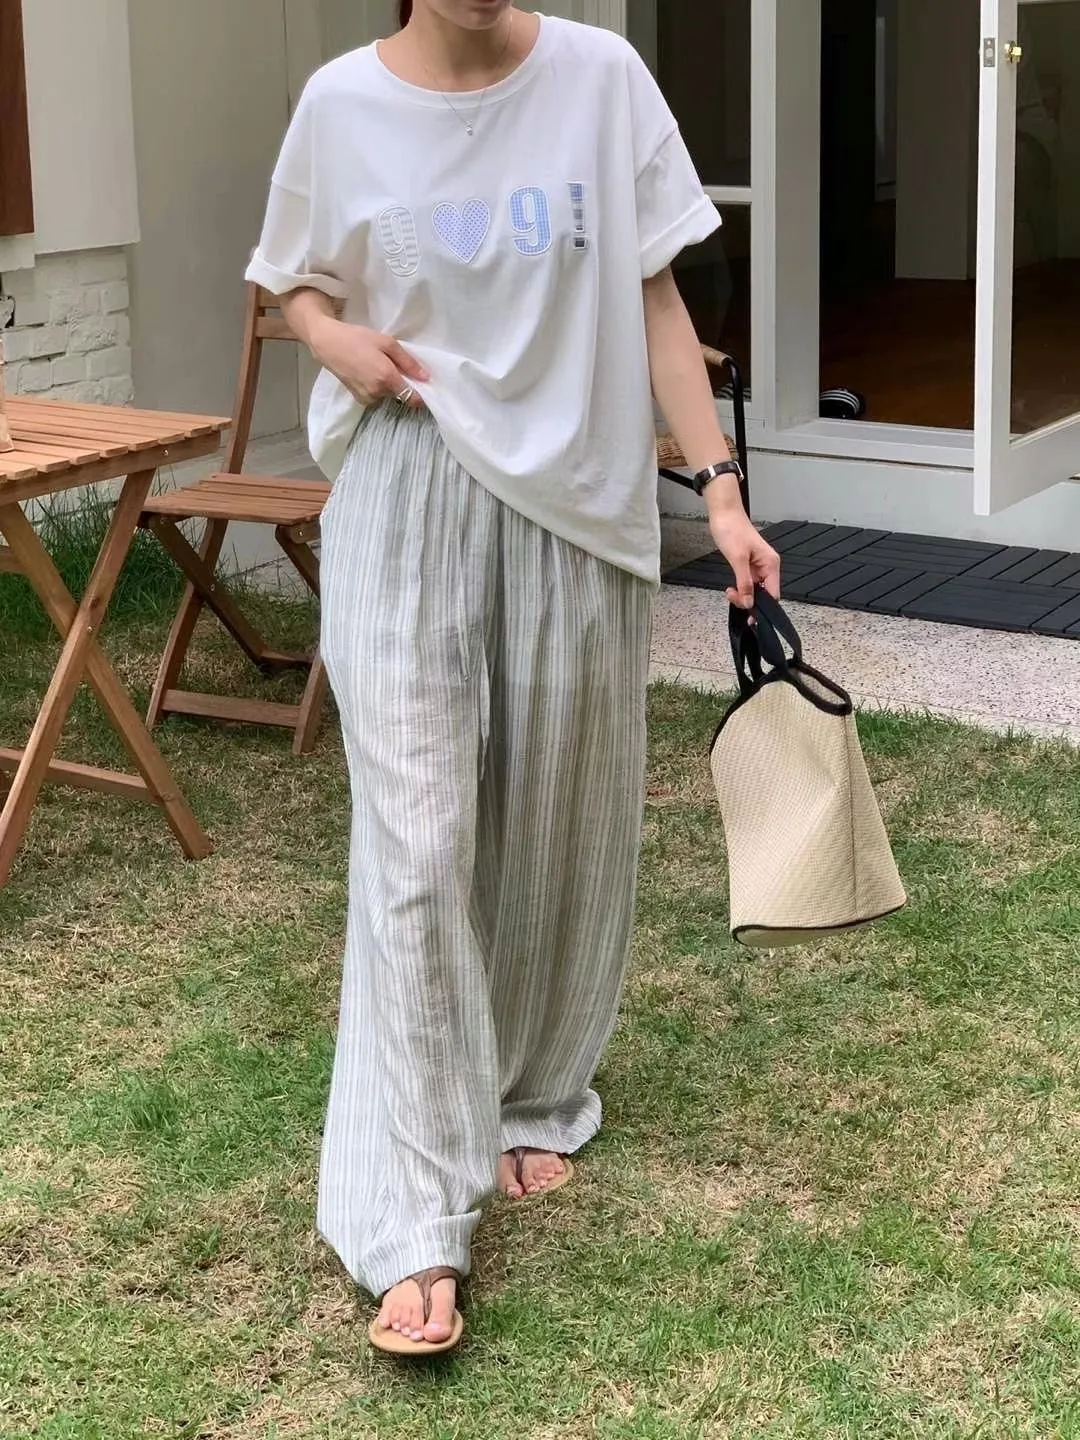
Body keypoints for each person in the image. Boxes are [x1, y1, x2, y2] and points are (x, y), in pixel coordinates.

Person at [246, 0, 780, 1357]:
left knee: (556, 817)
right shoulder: (342, 104)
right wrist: (330, 337)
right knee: (418, 843)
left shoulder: (602, 79)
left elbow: (655, 298)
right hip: (407, 484)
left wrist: (719, 490)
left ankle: (534, 1091)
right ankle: (412, 1215)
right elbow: (292, 280)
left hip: (577, 508)